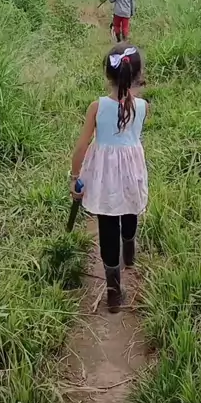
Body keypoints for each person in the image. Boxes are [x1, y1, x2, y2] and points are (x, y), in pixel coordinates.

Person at [69, 43, 148, 312]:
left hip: (104, 176)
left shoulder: (97, 107)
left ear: (107, 74)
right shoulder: (142, 107)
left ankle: (113, 293)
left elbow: (81, 147)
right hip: (131, 173)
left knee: (107, 225)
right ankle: (130, 252)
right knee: (130, 210)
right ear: (138, 75)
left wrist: (75, 177)